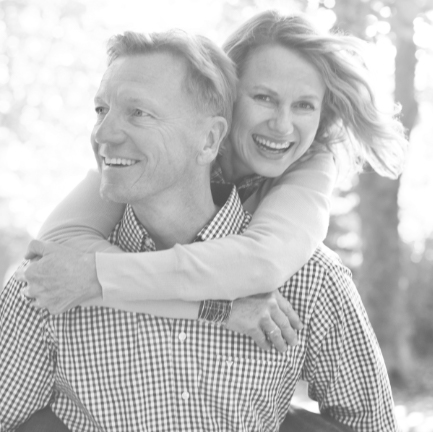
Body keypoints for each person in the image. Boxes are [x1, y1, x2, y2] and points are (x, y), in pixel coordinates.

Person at [1, 15, 400, 431]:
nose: (282, 125)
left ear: (211, 136)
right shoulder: (56, 272)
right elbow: (60, 258)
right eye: (263, 97)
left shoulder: (309, 266)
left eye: (139, 112)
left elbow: (261, 262)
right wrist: (220, 311)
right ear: (228, 102)